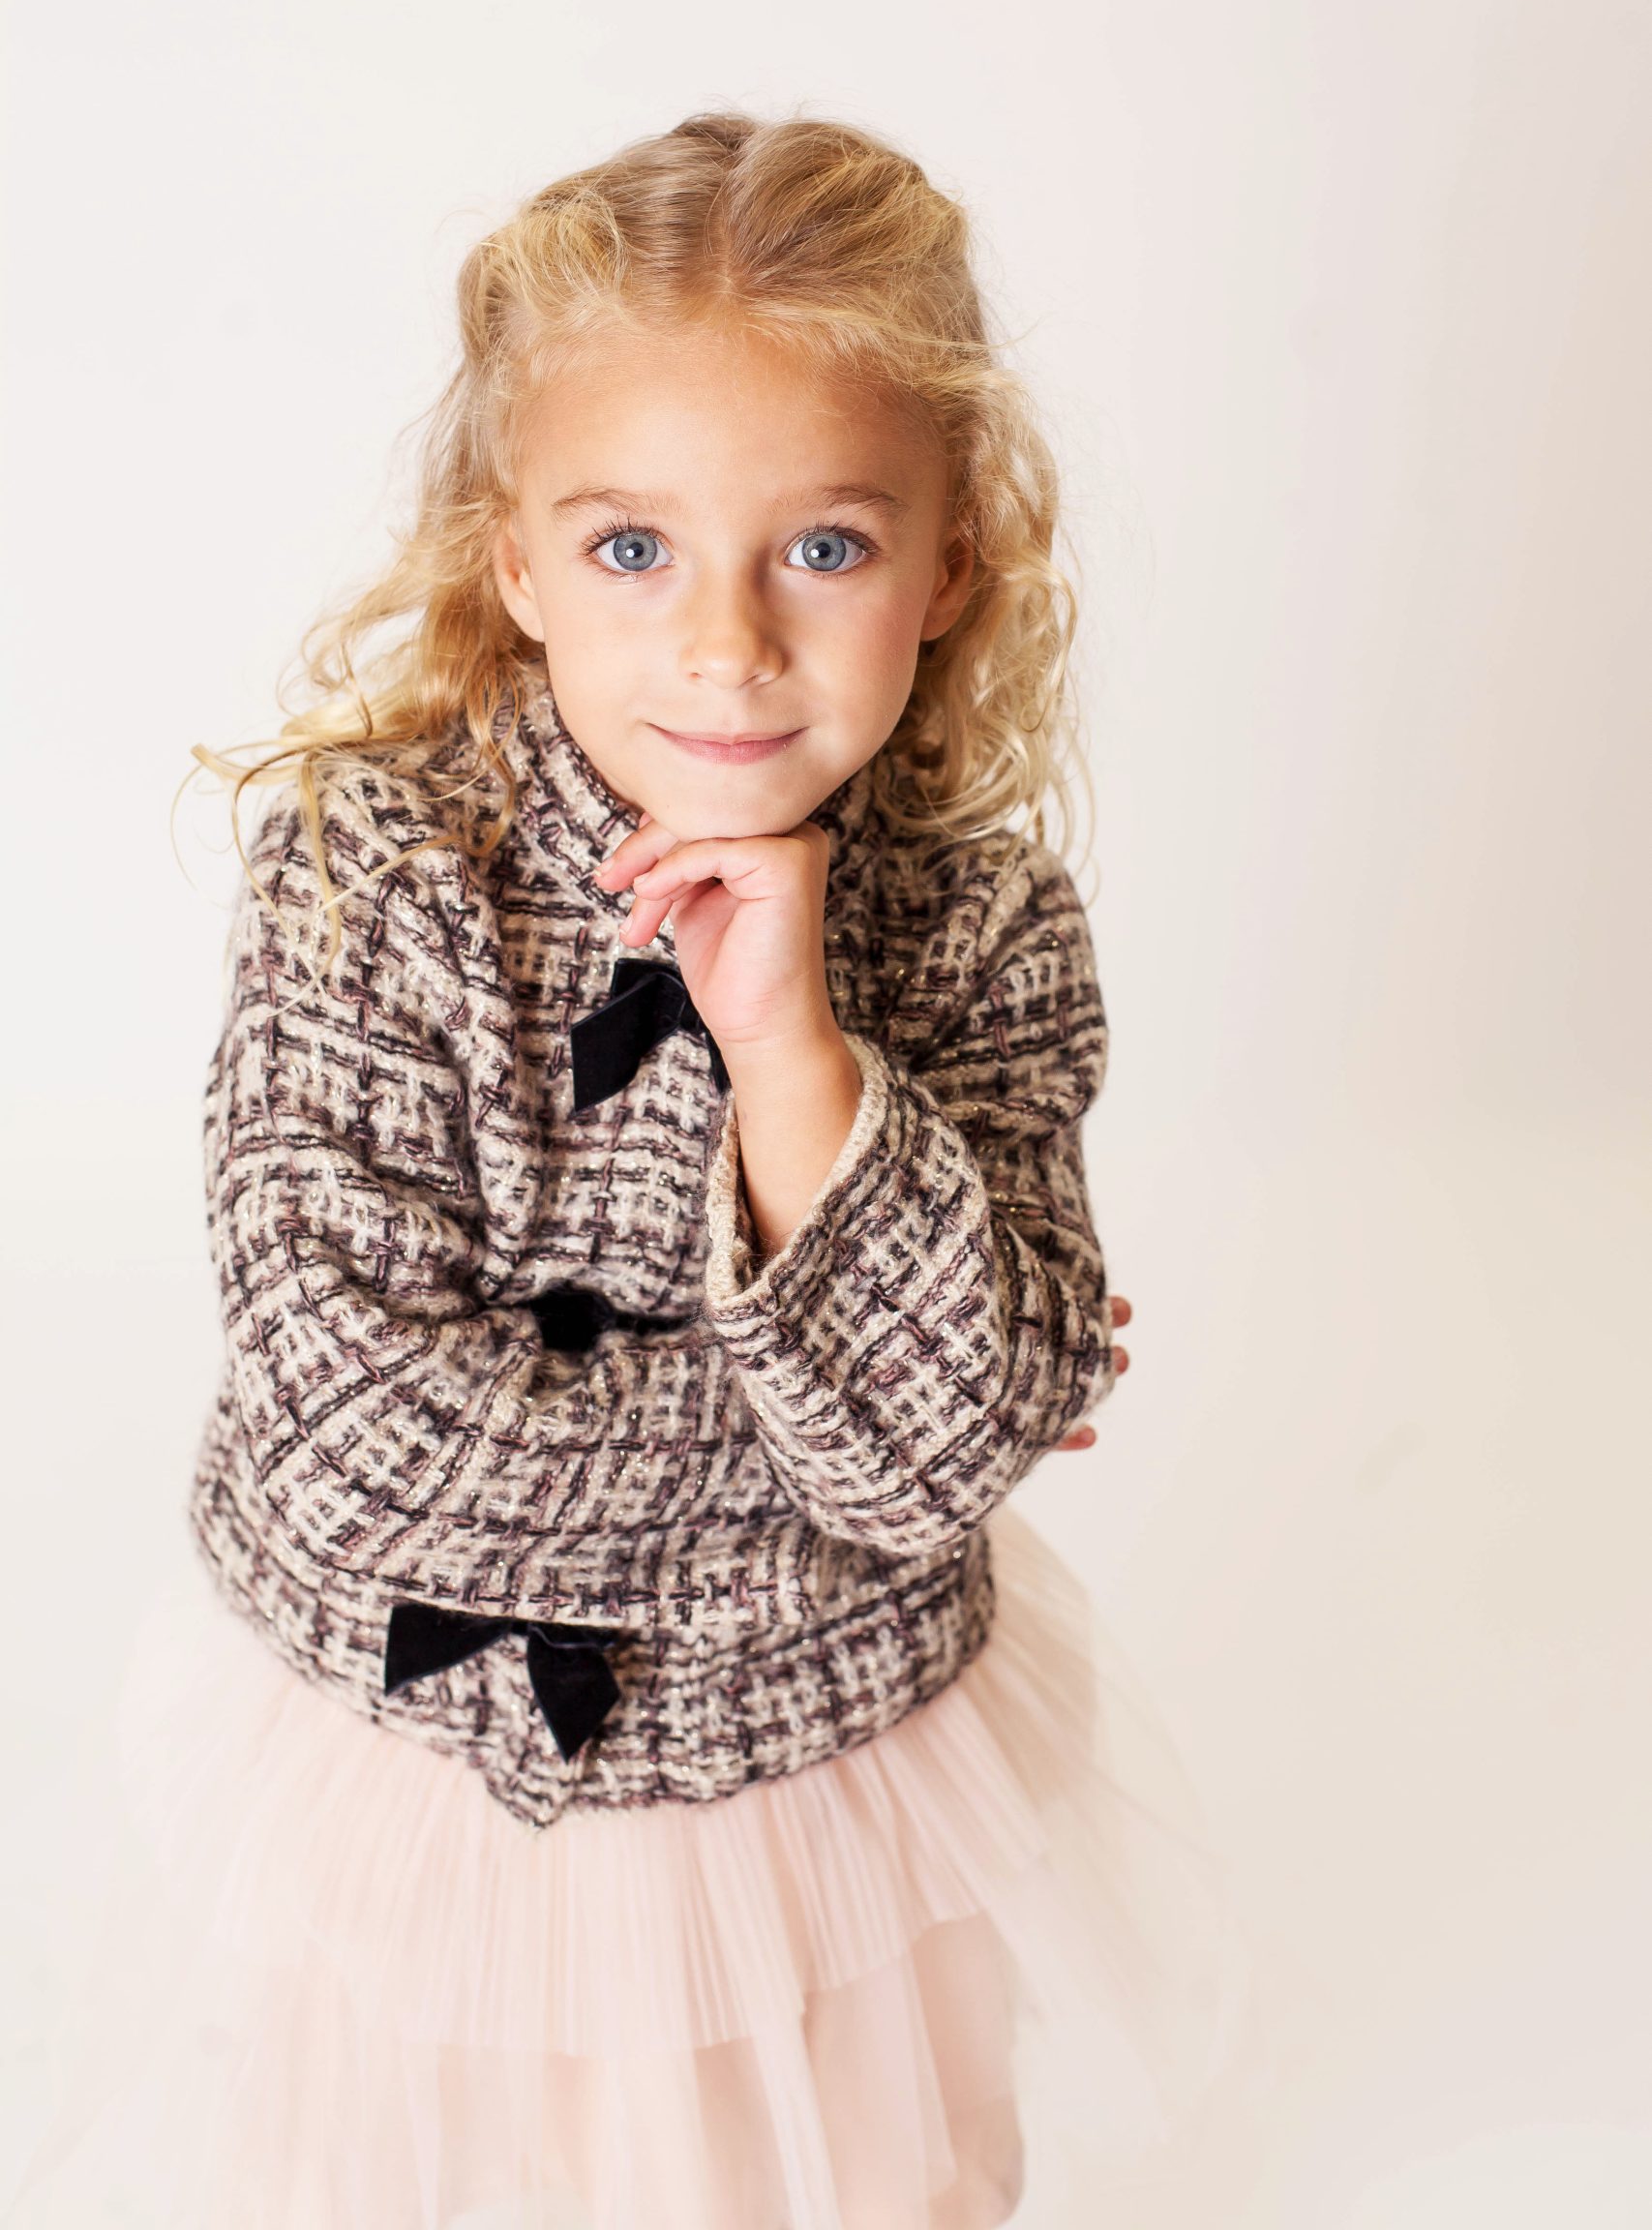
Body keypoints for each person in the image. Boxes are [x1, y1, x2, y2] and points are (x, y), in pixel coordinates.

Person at [3, 110, 1262, 2230]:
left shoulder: (982, 927)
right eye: (630, 550)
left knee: (842, 2170)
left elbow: (943, 1450)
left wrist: (792, 1048)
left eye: (824, 548)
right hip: (429, 1770)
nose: (727, 642)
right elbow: (351, 1443)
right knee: (430, 2171)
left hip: (820, 1765)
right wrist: (866, 1442)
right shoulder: (369, 881)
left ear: (951, 564)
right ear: (512, 559)